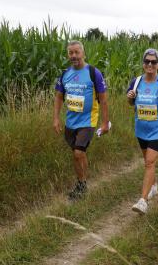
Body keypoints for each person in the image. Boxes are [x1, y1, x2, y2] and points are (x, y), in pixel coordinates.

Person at [53, 40, 109, 200]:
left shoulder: (93, 73)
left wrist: (105, 123)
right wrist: (56, 118)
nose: (74, 56)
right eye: (71, 53)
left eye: (77, 52)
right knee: (77, 154)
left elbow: (103, 100)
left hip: (88, 121)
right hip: (71, 122)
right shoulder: (65, 74)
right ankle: (82, 183)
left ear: (83, 53)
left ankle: (82, 185)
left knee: (78, 153)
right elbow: (58, 97)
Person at [126, 48, 158, 214]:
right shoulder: (136, 82)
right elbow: (130, 103)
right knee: (147, 161)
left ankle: (143, 201)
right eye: (147, 61)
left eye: (153, 62)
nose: (150, 64)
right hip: (141, 128)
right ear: (143, 64)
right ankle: (153, 186)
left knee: (149, 162)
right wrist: (130, 97)